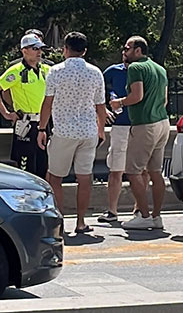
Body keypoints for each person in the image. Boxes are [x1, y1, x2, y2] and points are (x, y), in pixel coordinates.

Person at [36, 33, 107, 233]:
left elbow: (47, 103)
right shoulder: (95, 73)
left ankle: (60, 222)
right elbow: (100, 106)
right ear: (84, 50)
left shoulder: (56, 72)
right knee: (85, 177)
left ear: (65, 49)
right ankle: (81, 221)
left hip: (63, 131)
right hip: (88, 131)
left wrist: (42, 128)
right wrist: (101, 129)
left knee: (55, 177)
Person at [109, 36, 169, 231]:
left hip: (144, 124)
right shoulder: (159, 69)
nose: (124, 51)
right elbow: (165, 100)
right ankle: (156, 216)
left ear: (138, 50)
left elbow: (137, 96)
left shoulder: (135, 68)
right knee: (155, 172)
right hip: (162, 122)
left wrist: (119, 103)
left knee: (133, 171)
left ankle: (143, 215)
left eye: (127, 48)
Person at [0, 33, 49, 178]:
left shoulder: (47, 70)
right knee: (26, 167)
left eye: (40, 48)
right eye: (35, 48)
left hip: (45, 123)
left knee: (43, 166)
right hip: (27, 123)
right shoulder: (16, 71)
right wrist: (6, 113)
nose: (39, 52)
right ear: (24, 50)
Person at [100, 49, 141, 223]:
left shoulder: (143, 71)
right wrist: (104, 110)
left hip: (140, 125)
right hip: (120, 125)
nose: (124, 52)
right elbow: (98, 91)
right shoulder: (112, 71)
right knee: (116, 169)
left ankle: (139, 209)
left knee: (141, 170)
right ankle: (112, 211)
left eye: (128, 49)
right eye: (123, 49)